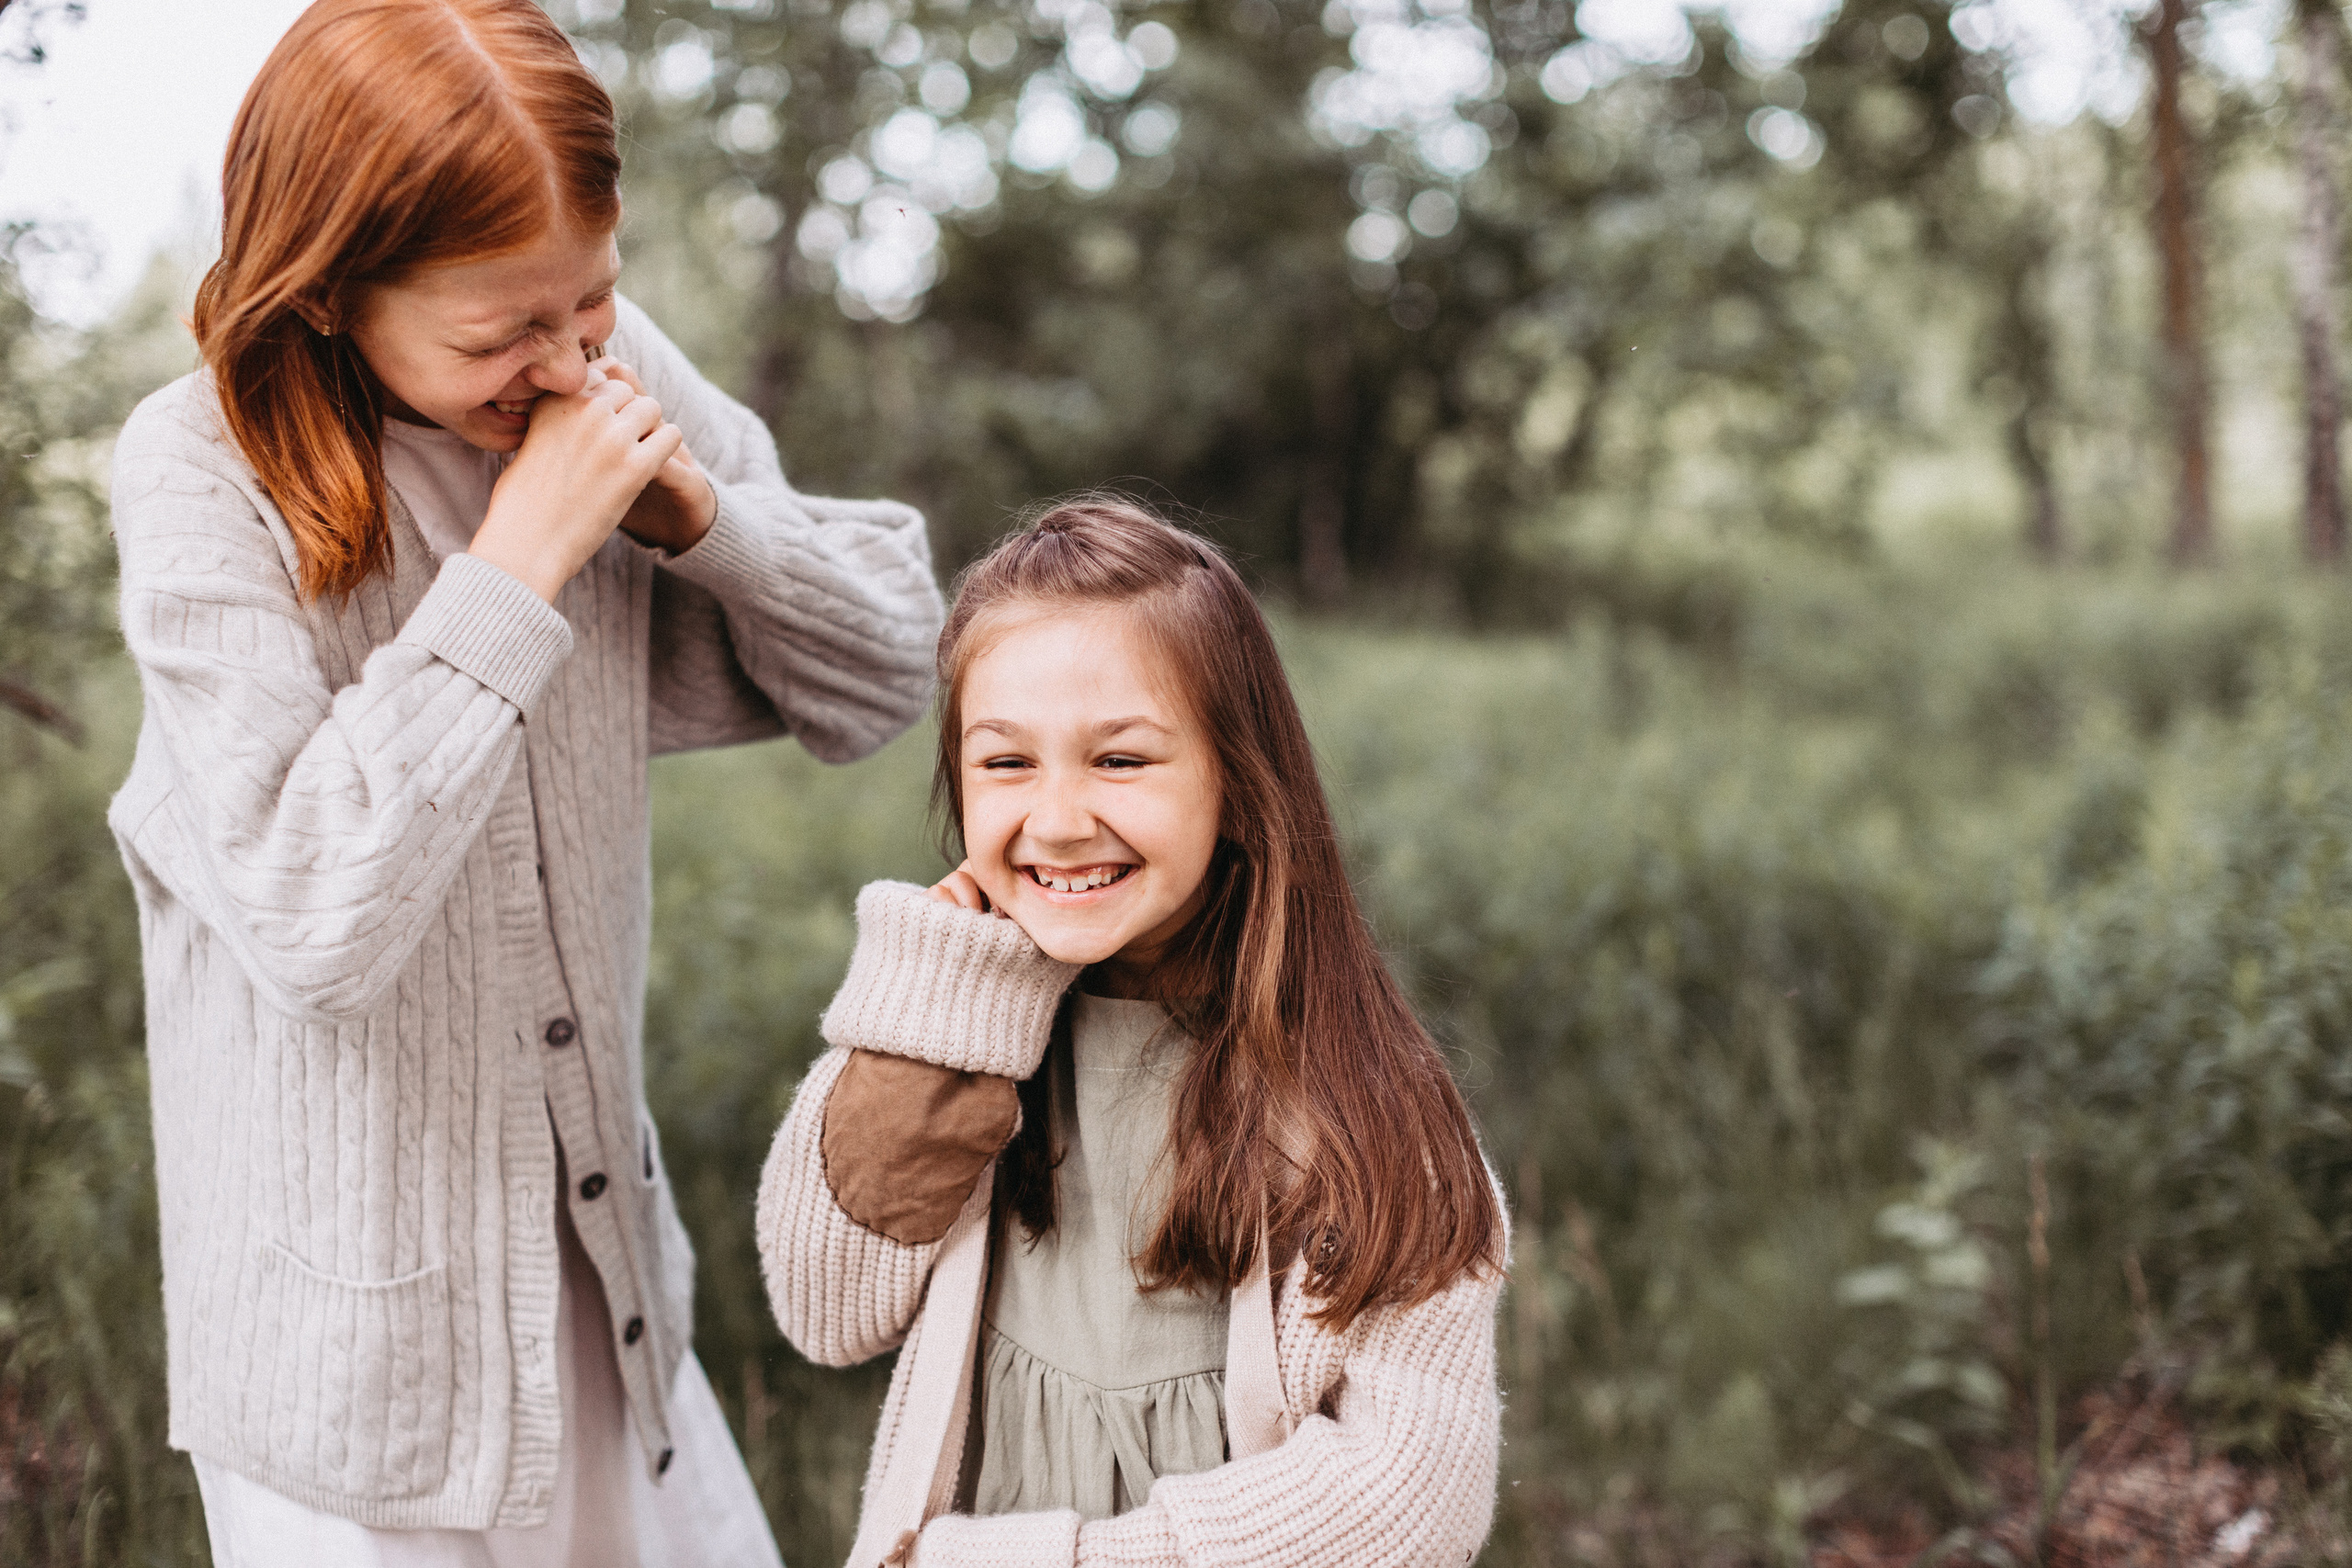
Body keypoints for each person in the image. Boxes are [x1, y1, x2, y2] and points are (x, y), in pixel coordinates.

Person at [104, 2, 944, 1562]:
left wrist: (706, 522)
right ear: (331, 289)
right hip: (364, 1383)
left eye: (595, 299)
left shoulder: (604, 362)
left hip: (603, 1295)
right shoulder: (199, 469)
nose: (564, 364)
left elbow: (889, 668)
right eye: (502, 335)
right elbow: (312, 909)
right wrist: (524, 555)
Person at [756, 499, 1508, 1567]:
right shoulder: (954, 1035)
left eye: (1119, 761)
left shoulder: (1361, 1105)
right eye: (1006, 764)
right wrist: (930, 1010)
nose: (1058, 821)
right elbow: (826, 1310)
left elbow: (1410, 1503)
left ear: (1237, 783)